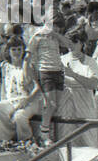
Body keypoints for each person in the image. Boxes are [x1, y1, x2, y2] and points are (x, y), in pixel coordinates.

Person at [26, 13, 71, 143]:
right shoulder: (38, 36)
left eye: (58, 26)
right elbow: (28, 57)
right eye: (54, 25)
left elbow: (69, 44)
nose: (56, 28)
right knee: (50, 103)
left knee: (57, 105)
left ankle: (50, 132)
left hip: (58, 71)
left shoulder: (56, 37)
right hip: (45, 71)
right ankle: (44, 133)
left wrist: (56, 34)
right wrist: (29, 76)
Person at [58, 26, 98, 148]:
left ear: (82, 43)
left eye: (75, 41)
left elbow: (93, 84)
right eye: (69, 41)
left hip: (85, 104)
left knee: (88, 141)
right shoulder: (60, 60)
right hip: (65, 104)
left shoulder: (90, 62)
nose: (71, 44)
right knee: (65, 141)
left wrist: (72, 74)